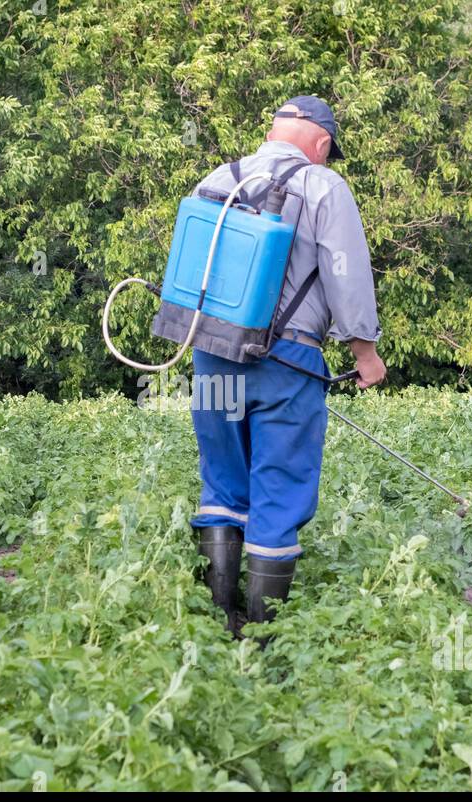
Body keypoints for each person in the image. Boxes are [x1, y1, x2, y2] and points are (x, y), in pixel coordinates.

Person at [191, 95, 385, 639]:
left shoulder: (218, 178)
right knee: (280, 483)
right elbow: (345, 274)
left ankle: (219, 627)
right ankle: (261, 636)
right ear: (322, 144)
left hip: (210, 355)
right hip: (288, 360)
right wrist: (364, 354)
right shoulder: (324, 186)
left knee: (223, 484)